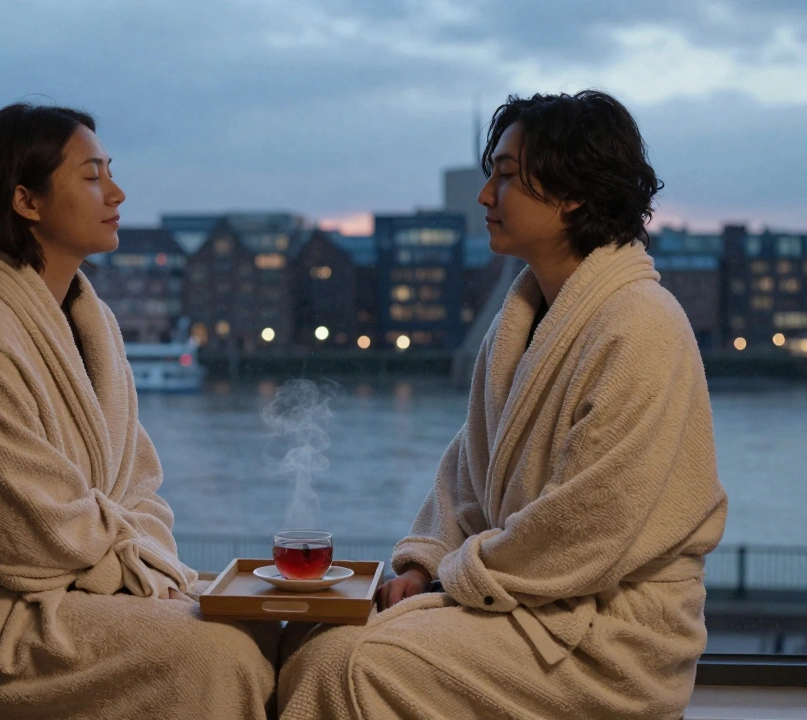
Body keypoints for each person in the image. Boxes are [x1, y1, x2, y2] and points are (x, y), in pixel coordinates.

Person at [278, 90, 728, 719]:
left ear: (571, 192)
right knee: (310, 637)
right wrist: (424, 563)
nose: (486, 195)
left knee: (347, 665)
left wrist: (453, 577)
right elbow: (469, 470)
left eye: (507, 176)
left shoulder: (641, 326)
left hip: (603, 637)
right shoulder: (521, 322)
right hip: (529, 603)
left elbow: (589, 523)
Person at [0, 103, 275, 720]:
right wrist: (141, 573)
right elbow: (25, 525)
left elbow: (139, 485)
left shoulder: (94, 323)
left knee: (266, 627)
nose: (116, 192)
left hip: (79, 589)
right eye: (92, 176)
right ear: (26, 201)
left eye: (110, 171)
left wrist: (150, 567)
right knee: (219, 652)